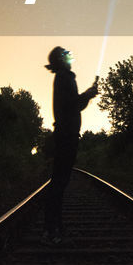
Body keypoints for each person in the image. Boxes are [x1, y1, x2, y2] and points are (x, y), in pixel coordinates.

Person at [43, 46, 99, 242]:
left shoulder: (63, 77)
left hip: (66, 135)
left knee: (59, 182)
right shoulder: (65, 77)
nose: (70, 56)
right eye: (66, 54)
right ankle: (52, 230)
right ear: (61, 59)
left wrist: (87, 95)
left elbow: (74, 104)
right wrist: (89, 94)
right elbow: (73, 105)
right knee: (59, 183)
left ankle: (55, 228)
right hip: (66, 136)